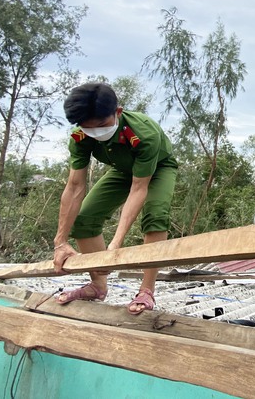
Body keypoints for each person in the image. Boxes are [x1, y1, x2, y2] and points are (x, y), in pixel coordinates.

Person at [52, 82, 178, 315]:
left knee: (155, 214)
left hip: (158, 168)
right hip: (122, 170)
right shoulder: (81, 137)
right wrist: (60, 242)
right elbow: (75, 187)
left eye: (101, 125)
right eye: (88, 128)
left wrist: (116, 243)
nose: (95, 133)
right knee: (84, 219)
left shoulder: (143, 133)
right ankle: (98, 285)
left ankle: (146, 290)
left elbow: (139, 188)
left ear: (117, 112)